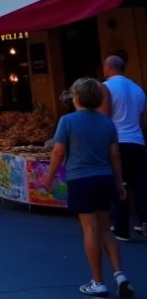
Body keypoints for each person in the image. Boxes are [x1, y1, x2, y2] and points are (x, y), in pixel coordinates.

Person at [44, 77, 134, 297]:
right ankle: (120, 274)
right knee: (105, 229)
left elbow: (58, 152)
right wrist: (119, 181)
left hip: (81, 179)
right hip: (104, 178)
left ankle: (98, 282)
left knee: (90, 229)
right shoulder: (107, 123)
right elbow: (115, 154)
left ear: (77, 97)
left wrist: (49, 176)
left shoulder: (68, 121)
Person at [101, 55, 147, 242]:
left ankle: (121, 228)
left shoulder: (106, 87)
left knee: (120, 183)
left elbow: (104, 117)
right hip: (137, 141)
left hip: (117, 140)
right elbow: (143, 121)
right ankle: (145, 222)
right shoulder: (138, 89)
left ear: (109, 66)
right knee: (140, 184)